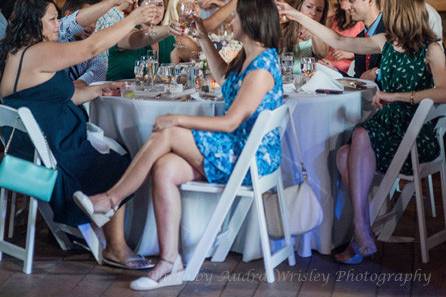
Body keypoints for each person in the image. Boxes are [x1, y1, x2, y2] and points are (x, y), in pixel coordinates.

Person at [74, 0, 283, 290]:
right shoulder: (251, 57)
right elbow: (223, 77)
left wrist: (177, 119)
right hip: (236, 148)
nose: (230, 23)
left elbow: (231, 122)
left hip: (248, 159)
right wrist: (202, 34)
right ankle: (169, 263)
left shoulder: (262, 69)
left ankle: (110, 200)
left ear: (251, 21)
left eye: (235, 18)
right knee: (165, 167)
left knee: (168, 134)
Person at [277, 0, 446, 264]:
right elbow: (336, 40)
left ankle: (359, 229)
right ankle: (362, 229)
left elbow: (444, 91)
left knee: (358, 136)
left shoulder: (431, 48)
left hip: (414, 135)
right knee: (343, 156)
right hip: (385, 129)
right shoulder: (385, 42)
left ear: (402, 12)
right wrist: (297, 16)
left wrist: (398, 96)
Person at [0, 0, 155, 269]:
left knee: (108, 146)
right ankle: (116, 248)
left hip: (21, 159)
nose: (58, 24)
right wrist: (133, 18)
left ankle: (99, 229)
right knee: (122, 162)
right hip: (49, 164)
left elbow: (60, 95)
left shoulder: (18, 52)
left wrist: (99, 89)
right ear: (34, 22)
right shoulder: (40, 51)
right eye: (52, 19)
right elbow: (91, 47)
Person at [280, 0, 329, 74]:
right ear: (299, 6)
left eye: (319, 10)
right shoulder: (284, 26)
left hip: (308, 80)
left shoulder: (321, 33)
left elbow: (321, 53)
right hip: (285, 79)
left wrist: (313, 31)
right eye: (309, 7)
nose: (313, 13)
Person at [322, 0, 363, 73]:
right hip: (328, 62)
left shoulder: (361, 23)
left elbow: (369, 52)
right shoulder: (335, 19)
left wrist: (350, 54)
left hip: (345, 68)